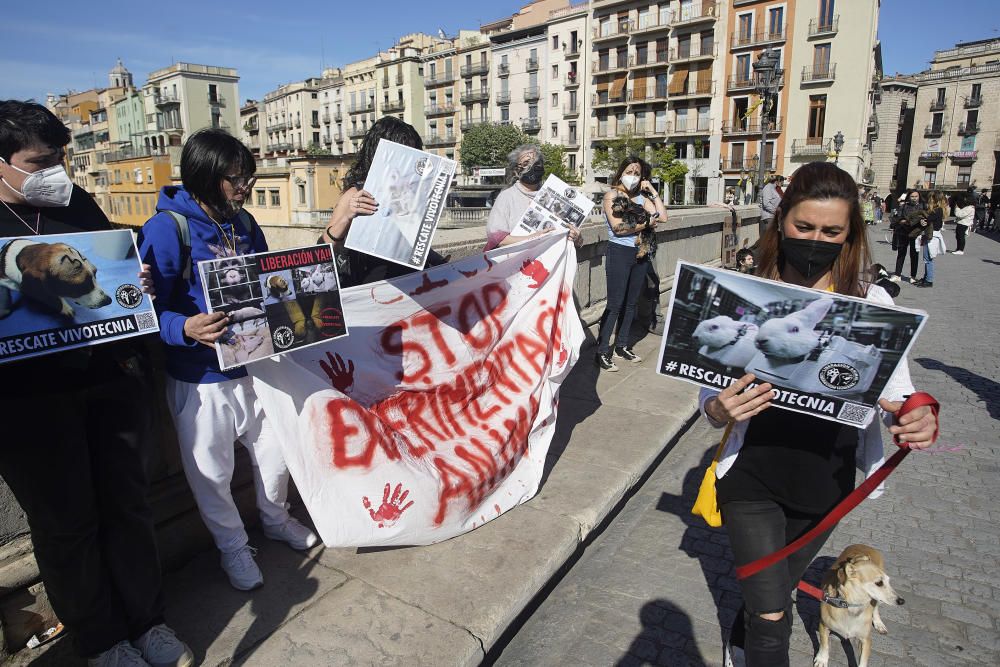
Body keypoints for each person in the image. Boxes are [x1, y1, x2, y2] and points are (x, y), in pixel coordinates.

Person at [701, 162, 940, 667]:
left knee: (777, 586)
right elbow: (708, 399)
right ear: (781, 221)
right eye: (803, 227)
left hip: (826, 484)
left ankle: (741, 636)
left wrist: (917, 414)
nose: (815, 239)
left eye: (831, 231)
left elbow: (899, 392)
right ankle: (755, 641)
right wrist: (719, 409)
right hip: (752, 477)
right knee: (774, 616)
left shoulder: (871, 299)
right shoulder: (748, 293)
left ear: (850, 234)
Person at [0, 100, 193, 667]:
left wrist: (135, 280)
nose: (56, 170)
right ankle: (102, 639)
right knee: (66, 526)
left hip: (108, 381)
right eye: (40, 162)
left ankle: (148, 621)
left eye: (62, 156)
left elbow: (108, 267)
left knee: (128, 508)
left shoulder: (75, 201)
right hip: (27, 402)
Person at [139, 129, 318, 593]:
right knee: (211, 473)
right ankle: (233, 547)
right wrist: (184, 328)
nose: (245, 188)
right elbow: (140, 309)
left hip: (255, 364)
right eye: (235, 179)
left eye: (248, 178)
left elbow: (267, 279)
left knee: (276, 453)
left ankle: (275, 520)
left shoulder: (245, 222)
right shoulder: (166, 228)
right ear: (205, 176)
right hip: (199, 378)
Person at [595, 156, 667, 371]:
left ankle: (622, 345)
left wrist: (652, 191)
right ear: (620, 173)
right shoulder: (612, 196)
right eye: (629, 172)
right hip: (619, 252)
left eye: (637, 173)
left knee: (631, 303)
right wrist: (646, 223)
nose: (633, 177)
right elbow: (618, 228)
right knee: (615, 303)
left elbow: (662, 217)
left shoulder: (642, 199)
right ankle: (601, 351)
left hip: (641, 253)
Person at [483, 144, 581, 251]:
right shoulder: (506, 197)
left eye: (537, 163)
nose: (532, 166)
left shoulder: (555, 194)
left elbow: (578, 242)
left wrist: (576, 238)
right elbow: (497, 239)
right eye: (526, 163)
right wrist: (533, 239)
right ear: (516, 170)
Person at [890, 190, 924, 282]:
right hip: (903, 232)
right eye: (912, 196)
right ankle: (897, 274)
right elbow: (898, 218)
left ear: (919, 197)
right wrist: (901, 221)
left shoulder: (922, 206)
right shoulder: (904, 206)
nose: (914, 198)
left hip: (915, 233)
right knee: (901, 253)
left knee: (914, 255)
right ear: (909, 197)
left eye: (916, 196)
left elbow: (924, 219)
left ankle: (913, 276)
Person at [915, 190, 947, 287]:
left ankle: (929, 280)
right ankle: (926, 277)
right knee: (927, 258)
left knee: (928, 259)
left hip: (932, 237)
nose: (927, 202)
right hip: (929, 236)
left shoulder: (937, 210)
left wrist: (922, 219)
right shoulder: (937, 210)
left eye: (929, 199)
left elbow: (927, 219)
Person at [758, 175, 783, 240]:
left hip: (773, 216)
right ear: (777, 181)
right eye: (781, 182)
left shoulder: (773, 188)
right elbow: (766, 203)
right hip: (769, 217)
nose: (782, 184)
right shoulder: (768, 188)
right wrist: (776, 210)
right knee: (769, 238)